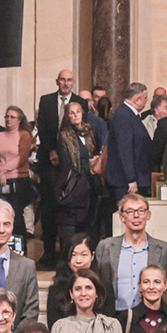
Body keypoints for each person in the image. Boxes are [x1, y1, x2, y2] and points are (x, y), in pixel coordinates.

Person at [93, 195, 167, 323]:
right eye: (130, 211)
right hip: (112, 318)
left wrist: (160, 311)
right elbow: (96, 286)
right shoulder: (105, 247)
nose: (136, 215)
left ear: (148, 215)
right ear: (122, 217)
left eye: (141, 210)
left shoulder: (164, 250)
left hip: (149, 319)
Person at [36, 68, 79, 266]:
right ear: (57, 81)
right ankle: (48, 252)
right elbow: (43, 129)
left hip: (71, 166)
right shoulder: (46, 101)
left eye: (69, 80)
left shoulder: (81, 102)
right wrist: (52, 151)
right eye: (62, 79)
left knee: (68, 209)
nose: (65, 83)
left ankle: (68, 253)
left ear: (73, 82)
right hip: (49, 163)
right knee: (48, 207)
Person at [54, 97, 104, 252]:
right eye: (71, 113)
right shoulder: (64, 136)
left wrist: (95, 160)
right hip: (74, 185)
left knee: (90, 225)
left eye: (78, 112)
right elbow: (65, 164)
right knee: (70, 228)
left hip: (90, 182)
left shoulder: (89, 133)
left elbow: (93, 152)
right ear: (66, 116)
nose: (75, 115)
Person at [105, 84, 156, 208]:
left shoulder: (130, 115)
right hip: (125, 182)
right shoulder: (123, 116)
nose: (147, 100)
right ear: (137, 100)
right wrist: (131, 179)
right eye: (145, 98)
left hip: (133, 178)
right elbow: (125, 149)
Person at [0, 106, 38, 247]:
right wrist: (0, 172)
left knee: (17, 216)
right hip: (2, 181)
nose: (8, 120)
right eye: (6, 116)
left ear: (19, 120)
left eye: (12, 117)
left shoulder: (24, 135)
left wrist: (2, 171)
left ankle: (20, 249)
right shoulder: (0, 136)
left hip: (18, 180)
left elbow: (22, 157)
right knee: (2, 215)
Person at [46, 235, 100, 325]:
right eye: (73, 255)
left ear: (92, 256)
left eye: (84, 255)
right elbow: (54, 326)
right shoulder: (56, 289)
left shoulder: (104, 286)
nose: (78, 260)